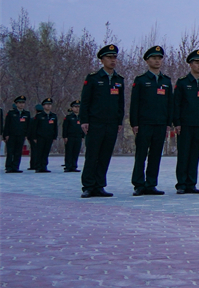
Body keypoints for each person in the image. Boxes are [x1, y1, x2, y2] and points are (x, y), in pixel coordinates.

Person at [79, 44, 125, 198]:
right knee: (92, 155)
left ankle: (99, 185)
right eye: (109, 57)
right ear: (102, 60)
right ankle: (88, 185)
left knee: (105, 155)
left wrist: (119, 121)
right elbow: (85, 101)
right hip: (95, 123)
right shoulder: (93, 78)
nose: (113, 60)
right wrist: (84, 120)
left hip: (111, 123)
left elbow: (120, 103)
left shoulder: (119, 80)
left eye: (114, 57)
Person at [130, 46, 172, 195]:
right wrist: (134, 123)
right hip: (144, 123)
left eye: (159, 58)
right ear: (147, 61)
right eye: (154, 58)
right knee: (141, 154)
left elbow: (169, 104)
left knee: (155, 155)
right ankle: (139, 184)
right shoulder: (141, 80)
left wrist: (168, 123)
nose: (157, 61)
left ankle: (151, 183)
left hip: (160, 123)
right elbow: (135, 103)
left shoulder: (166, 81)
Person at [173, 49, 199, 194]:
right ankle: (181, 183)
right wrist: (177, 122)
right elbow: (176, 103)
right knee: (184, 154)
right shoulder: (183, 82)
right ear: (190, 64)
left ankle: (191, 183)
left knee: (195, 154)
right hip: (185, 124)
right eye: (197, 62)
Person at [31, 99, 58, 172]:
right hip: (40, 137)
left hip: (49, 137)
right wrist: (34, 137)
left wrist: (54, 136)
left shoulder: (53, 116)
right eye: (47, 104)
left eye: (50, 104)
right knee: (39, 152)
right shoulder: (39, 116)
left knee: (46, 152)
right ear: (43, 106)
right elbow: (35, 127)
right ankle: (38, 167)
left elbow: (55, 127)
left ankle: (44, 166)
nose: (48, 106)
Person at [4, 96, 30, 173]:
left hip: (21, 135)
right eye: (20, 103)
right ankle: (9, 167)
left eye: (23, 103)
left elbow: (28, 125)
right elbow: (7, 124)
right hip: (11, 135)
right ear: (16, 104)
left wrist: (27, 135)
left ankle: (15, 167)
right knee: (10, 152)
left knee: (18, 152)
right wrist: (6, 135)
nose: (21, 104)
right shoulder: (11, 113)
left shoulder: (26, 114)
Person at [62, 100, 83, 172]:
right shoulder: (68, 117)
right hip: (70, 137)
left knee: (76, 152)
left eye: (78, 107)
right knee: (69, 151)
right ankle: (68, 166)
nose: (77, 108)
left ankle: (74, 166)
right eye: (75, 107)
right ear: (72, 108)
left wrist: (82, 136)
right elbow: (65, 127)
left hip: (78, 136)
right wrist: (65, 136)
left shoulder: (81, 117)